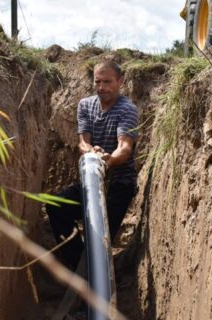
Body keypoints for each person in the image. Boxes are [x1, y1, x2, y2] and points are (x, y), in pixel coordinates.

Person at [46, 59, 139, 270]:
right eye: (98, 82)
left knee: (98, 237)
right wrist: (90, 152)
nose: (102, 87)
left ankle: (91, 271)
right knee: (55, 205)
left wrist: (108, 160)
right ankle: (77, 267)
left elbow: (124, 147)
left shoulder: (127, 110)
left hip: (118, 183)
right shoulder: (86, 105)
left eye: (107, 82)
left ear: (121, 82)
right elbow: (82, 142)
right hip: (92, 179)